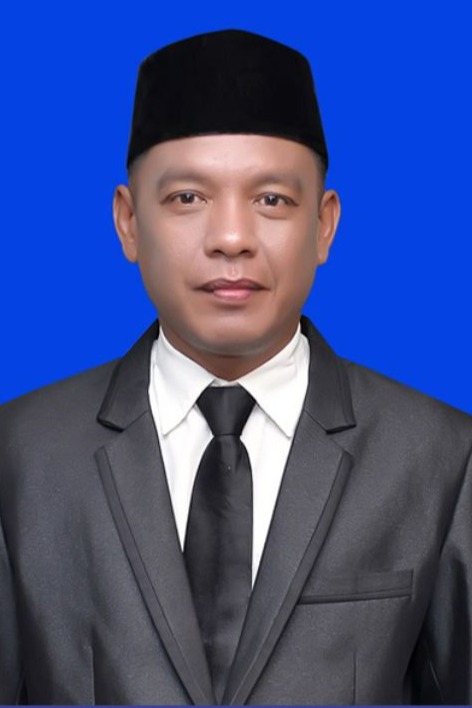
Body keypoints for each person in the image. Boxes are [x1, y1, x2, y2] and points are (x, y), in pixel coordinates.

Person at [0, 28, 471, 706]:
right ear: (128, 222)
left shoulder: (443, 458)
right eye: (187, 198)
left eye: (271, 199)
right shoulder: (20, 456)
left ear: (324, 225)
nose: (230, 238)